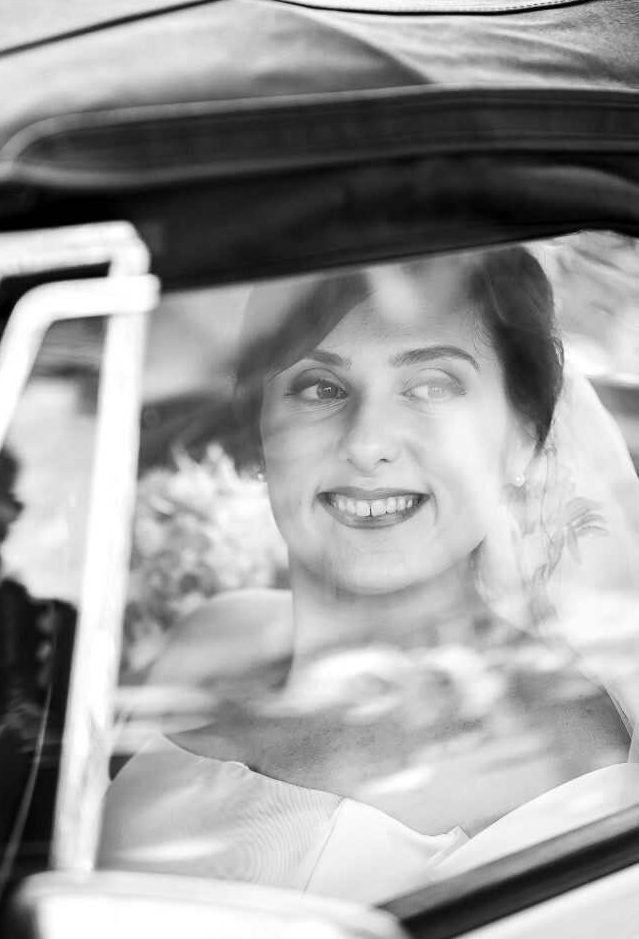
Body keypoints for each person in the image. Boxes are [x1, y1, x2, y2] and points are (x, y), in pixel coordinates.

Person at [99, 244, 639, 903]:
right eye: (319, 387)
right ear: (261, 427)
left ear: (523, 436)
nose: (366, 441)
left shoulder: (574, 779)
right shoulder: (213, 634)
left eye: (431, 386)